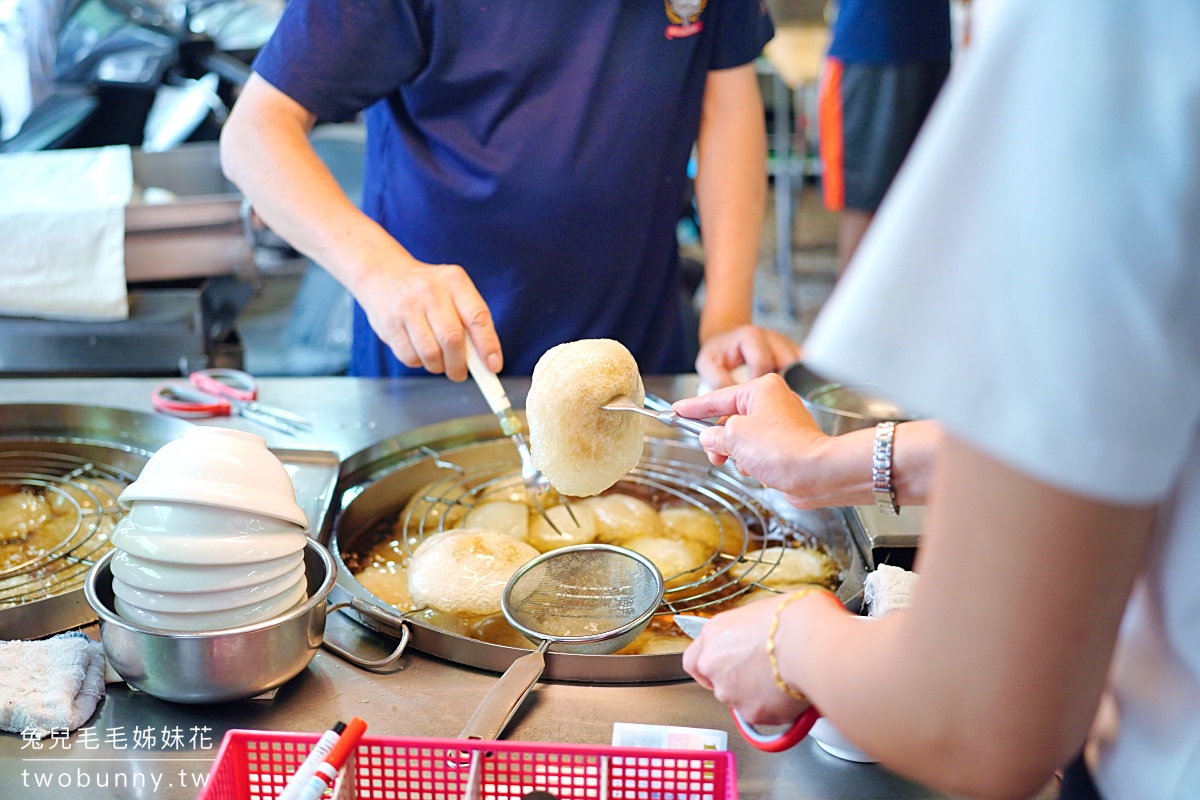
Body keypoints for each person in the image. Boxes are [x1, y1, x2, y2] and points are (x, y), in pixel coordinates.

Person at [676, 1, 1200, 798]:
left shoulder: (1100, 32)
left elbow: (974, 717)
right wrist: (828, 463)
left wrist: (792, 638)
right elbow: (1118, 423)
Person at [219, 0, 800, 389]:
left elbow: (726, 102)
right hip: (440, 360)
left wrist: (725, 317)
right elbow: (254, 133)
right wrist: (379, 272)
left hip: (636, 352)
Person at [818, 0, 951, 273]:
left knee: (929, 205)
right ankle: (857, 316)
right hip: (872, 45)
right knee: (866, 206)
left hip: (933, 40)